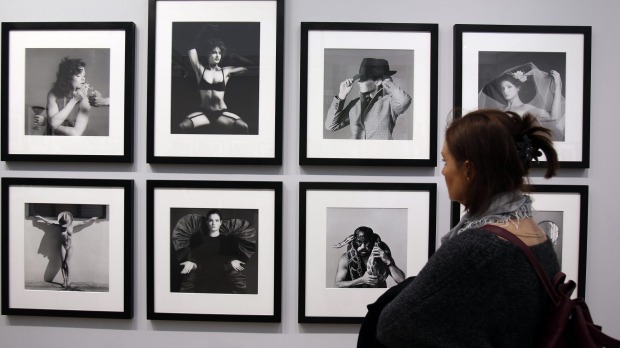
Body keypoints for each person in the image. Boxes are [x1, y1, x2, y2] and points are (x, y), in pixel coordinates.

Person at [372, 109, 561, 347]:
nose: (443, 171)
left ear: (469, 170)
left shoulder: (477, 247)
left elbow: (391, 326)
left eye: (446, 161)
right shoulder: (534, 232)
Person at [325, 58, 412, 140]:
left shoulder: (389, 103)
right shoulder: (355, 104)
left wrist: (388, 82)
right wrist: (341, 95)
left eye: (364, 78)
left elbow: (404, 101)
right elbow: (331, 126)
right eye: (359, 78)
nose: (359, 82)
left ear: (378, 81)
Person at [173, 209, 256, 294]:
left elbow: (229, 258)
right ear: (206, 222)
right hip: (202, 281)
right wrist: (191, 264)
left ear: (220, 222)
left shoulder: (227, 241)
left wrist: (233, 261)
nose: (213, 223)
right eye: (210, 220)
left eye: (216, 220)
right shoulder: (199, 240)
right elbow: (196, 262)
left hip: (224, 281)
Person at [178, 38, 250, 134]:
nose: (217, 56)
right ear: (208, 54)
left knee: (244, 126)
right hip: (204, 113)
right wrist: (204, 28)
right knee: (182, 126)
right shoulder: (200, 70)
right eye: (214, 52)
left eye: (219, 53)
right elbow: (191, 49)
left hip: (221, 113)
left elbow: (247, 68)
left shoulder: (225, 71)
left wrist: (237, 57)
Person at [479, 62, 565, 141]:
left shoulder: (527, 109)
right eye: (503, 88)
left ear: (518, 88)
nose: (505, 91)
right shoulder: (499, 111)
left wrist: (557, 86)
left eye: (509, 87)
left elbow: (553, 117)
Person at [35, 211, 98, 289]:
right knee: (62, 263)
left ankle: (68, 279)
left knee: (67, 262)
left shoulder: (72, 226)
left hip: (70, 246)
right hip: (62, 245)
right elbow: (49, 222)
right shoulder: (59, 226)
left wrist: (92, 219)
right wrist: (40, 218)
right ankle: (64, 279)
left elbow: (84, 223)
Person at [332, 226, 405, 288]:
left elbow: (402, 281)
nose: (363, 247)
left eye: (367, 243)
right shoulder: (346, 258)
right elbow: (338, 284)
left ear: (372, 242)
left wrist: (389, 262)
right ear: (354, 241)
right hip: (355, 298)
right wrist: (361, 280)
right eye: (359, 242)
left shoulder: (382, 256)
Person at [43, 57, 93, 136]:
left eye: (84, 76)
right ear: (68, 77)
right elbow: (54, 122)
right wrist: (74, 100)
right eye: (78, 75)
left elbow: (76, 133)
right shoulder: (53, 94)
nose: (83, 79)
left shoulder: (85, 101)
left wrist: (47, 123)